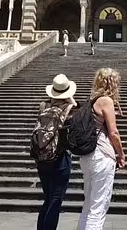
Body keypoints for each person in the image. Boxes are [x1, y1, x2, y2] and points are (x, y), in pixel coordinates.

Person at [77, 68, 125, 230]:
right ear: (112, 83)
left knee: (89, 203)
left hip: (87, 156)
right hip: (102, 155)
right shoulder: (106, 101)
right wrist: (121, 153)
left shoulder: (93, 101)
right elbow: (114, 132)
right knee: (99, 207)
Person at [35, 74, 78, 230]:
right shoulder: (70, 108)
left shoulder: (43, 105)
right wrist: (70, 99)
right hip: (60, 157)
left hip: (41, 157)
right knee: (55, 200)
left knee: (48, 199)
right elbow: (79, 113)